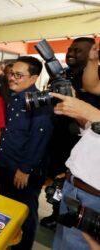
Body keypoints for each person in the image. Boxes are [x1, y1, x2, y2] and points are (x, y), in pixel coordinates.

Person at [41, 37, 100, 229]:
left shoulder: (95, 77)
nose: (71, 54)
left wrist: (84, 115)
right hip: (58, 135)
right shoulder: (60, 74)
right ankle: (57, 214)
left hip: (80, 138)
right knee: (58, 177)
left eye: (78, 51)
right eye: (70, 49)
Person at [0, 56, 54, 250]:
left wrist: (25, 169)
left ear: (33, 78)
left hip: (23, 171)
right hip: (7, 164)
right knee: (7, 209)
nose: (12, 78)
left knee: (25, 214)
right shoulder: (15, 97)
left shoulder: (39, 101)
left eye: (18, 75)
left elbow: (40, 139)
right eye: (11, 73)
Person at [49, 92, 100, 250]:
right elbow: (92, 135)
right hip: (73, 187)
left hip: (93, 199)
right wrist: (78, 112)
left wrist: (90, 112)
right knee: (62, 242)